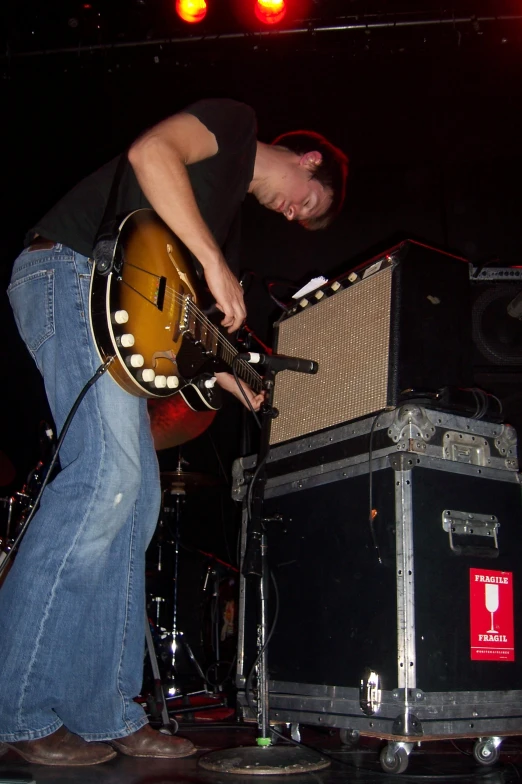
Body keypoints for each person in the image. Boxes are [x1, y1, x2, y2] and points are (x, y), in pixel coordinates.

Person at [0, 98, 348, 766]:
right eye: (309, 201)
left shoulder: (222, 221)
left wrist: (237, 378)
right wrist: (214, 264)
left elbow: (179, 316)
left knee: (136, 503)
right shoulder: (235, 123)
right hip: (70, 271)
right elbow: (150, 154)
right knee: (107, 481)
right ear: (309, 160)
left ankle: (105, 711)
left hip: (109, 303)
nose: (295, 214)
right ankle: (17, 704)